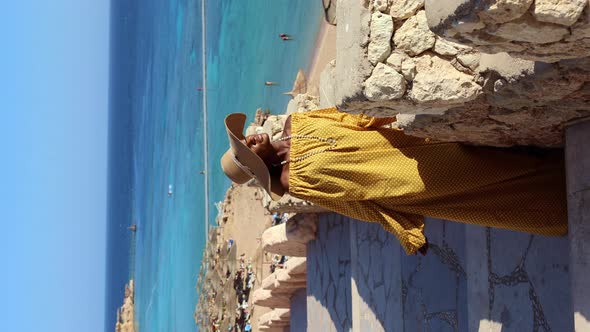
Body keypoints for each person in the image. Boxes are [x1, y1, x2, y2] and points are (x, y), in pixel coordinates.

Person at [220, 107, 567, 255]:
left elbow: (351, 116)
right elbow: (354, 204)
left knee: (490, 146)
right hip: (407, 182)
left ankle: (560, 163)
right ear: (256, 166)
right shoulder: (295, 181)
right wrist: (401, 227)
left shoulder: (296, 123)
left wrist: (398, 111)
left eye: (243, 139)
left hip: (406, 139)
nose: (249, 139)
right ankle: (560, 201)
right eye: (246, 149)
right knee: (491, 178)